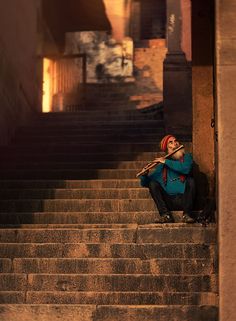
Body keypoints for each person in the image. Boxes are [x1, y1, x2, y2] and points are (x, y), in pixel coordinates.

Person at [139, 135, 195, 223]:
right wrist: (144, 175)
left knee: (191, 181)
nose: (175, 143)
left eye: (176, 141)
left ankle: (187, 214)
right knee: (153, 184)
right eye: (171, 142)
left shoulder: (187, 157)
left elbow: (186, 169)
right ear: (167, 149)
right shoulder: (162, 166)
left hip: (185, 200)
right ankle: (166, 215)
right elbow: (147, 183)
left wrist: (166, 161)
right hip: (170, 201)